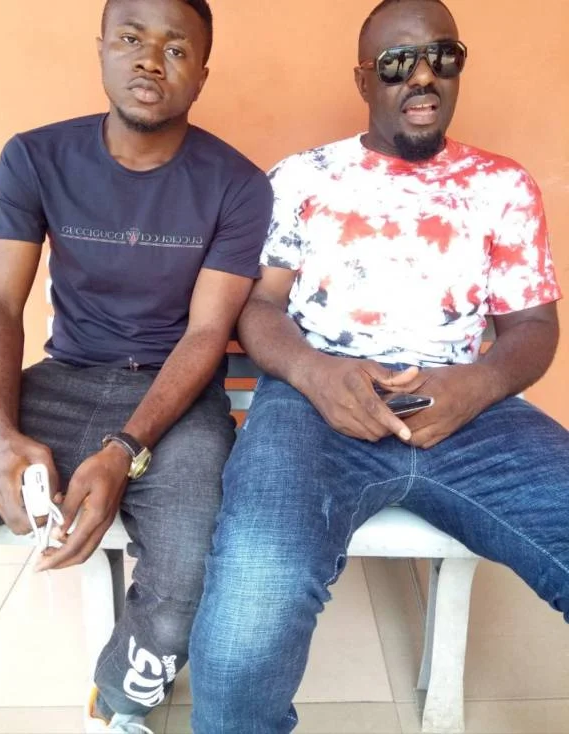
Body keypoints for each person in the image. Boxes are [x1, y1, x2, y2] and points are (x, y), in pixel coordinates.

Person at [188, 0, 569, 731]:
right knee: (255, 595)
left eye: (442, 56)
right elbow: (259, 307)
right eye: (397, 63)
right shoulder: (302, 179)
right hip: (316, 405)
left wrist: (476, 385)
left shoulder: (504, 186)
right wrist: (313, 372)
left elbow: (533, 327)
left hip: (467, 408)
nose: (422, 76)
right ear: (364, 79)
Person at [0, 0, 272, 731]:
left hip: (174, 399)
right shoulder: (35, 157)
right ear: (102, 47)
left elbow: (207, 332)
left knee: (195, 562)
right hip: (61, 379)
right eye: (131, 38)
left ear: (202, 73)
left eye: (176, 49)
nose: (150, 60)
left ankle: (123, 698)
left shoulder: (237, 183)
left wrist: (124, 448)